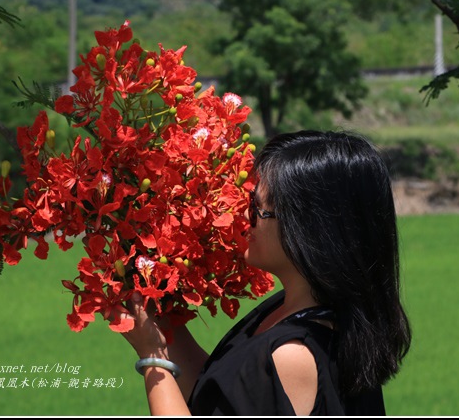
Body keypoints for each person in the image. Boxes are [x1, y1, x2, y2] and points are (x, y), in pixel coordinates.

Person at [119, 130, 411, 415]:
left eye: (258, 210)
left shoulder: (293, 356)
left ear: (311, 229)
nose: (245, 219)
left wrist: (153, 358)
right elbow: (218, 397)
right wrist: (162, 323)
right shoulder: (296, 310)